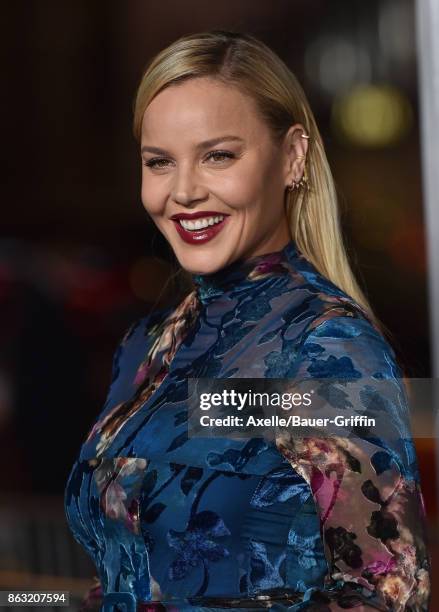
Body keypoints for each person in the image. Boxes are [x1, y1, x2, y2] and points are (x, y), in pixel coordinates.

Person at [64, 30, 431, 611]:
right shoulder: (147, 347)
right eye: (160, 162)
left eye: (218, 156)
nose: (182, 190)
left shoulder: (326, 348)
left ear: (293, 156)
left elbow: (385, 595)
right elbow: (132, 579)